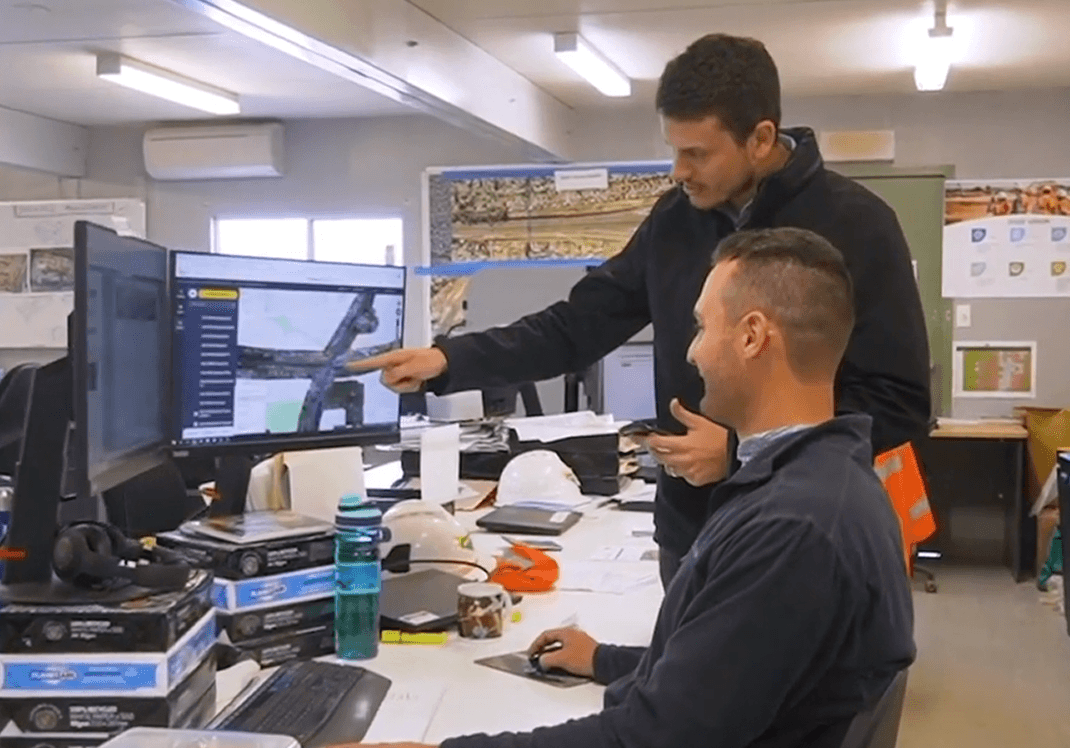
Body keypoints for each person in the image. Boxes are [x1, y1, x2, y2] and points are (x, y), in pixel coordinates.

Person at [307, 228, 917, 748]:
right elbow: (739, 669)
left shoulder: (795, 530)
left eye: (703, 326)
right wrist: (608, 660)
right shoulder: (824, 482)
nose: (694, 351)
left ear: (753, 335)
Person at [353, 33, 931, 589]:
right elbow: (577, 326)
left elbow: (899, 402)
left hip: (801, 527)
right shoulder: (675, 221)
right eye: (673, 150)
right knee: (689, 684)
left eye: (696, 153)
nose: (679, 171)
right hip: (688, 526)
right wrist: (448, 359)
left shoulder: (859, 226)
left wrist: (739, 453)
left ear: (760, 138)